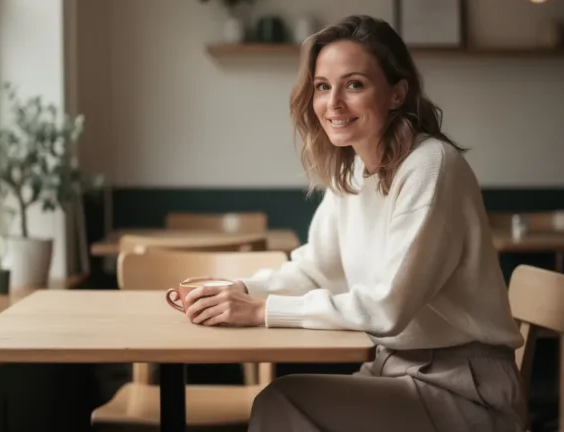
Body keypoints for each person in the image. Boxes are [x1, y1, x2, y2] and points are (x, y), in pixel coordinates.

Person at [181, 14, 527, 432]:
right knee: (284, 401)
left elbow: (387, 308)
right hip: (397, 372)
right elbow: (316, 270)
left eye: (355, 84)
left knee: (283, 404)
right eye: (323, 87)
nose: (333, 104)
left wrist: (262, 311)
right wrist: (240, 291)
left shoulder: (431, 166)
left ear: (397, 93)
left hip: (465, 394)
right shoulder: (352, 172)